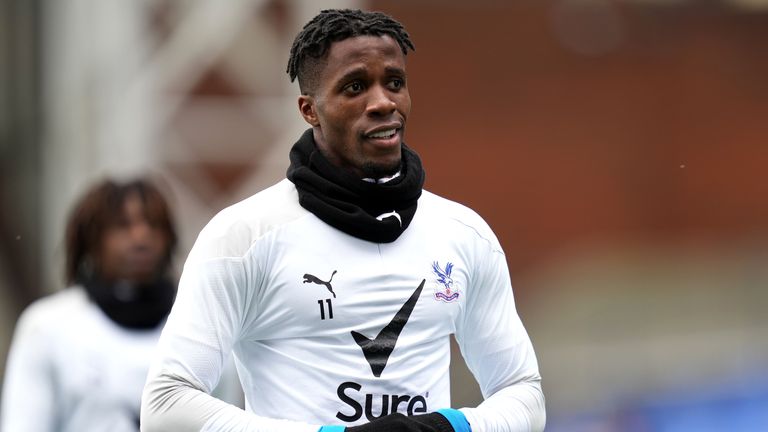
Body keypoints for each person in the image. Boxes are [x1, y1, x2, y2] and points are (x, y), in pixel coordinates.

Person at [141, 8, 545, 432]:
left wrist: (452, 428)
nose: (383, 102)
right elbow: (167, 407)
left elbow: (524, 396)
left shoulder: (464, 234)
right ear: (309, 110)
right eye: (355, 87)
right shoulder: (243, 237)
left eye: (394, 82)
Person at [0, 179, 178, 431]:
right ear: (92, 240)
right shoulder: (46, 326)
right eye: (123, 226)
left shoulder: (198, 326)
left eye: (153, 224)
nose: (141, 237)